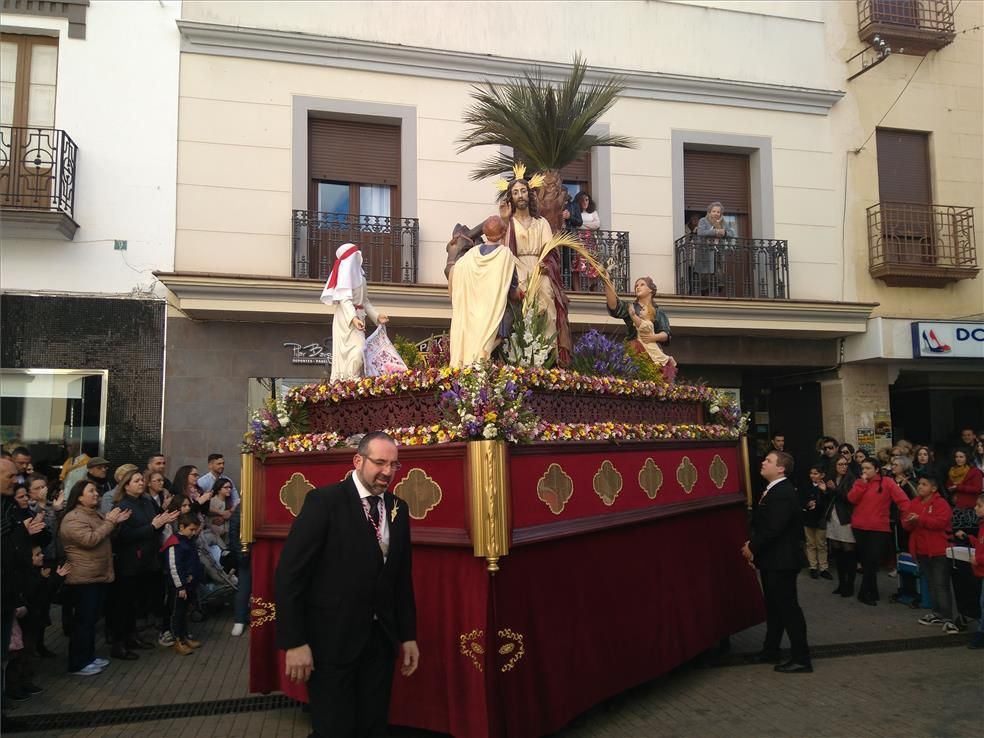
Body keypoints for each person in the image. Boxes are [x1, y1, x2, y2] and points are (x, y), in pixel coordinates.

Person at [275, 431, 418, 737]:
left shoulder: (398, 508)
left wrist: (407, 636)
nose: (387, 472)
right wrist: (294, 642)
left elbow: (400, 578)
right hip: (331, 643)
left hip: (379, 642)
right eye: (380, 463)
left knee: (372, 726)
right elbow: (290, 574)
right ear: (358, 460)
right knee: (334, 728)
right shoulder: (324, 502)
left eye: (394, 465)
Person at [741, 450, 811, 673]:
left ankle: (801, 658)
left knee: (788, 609)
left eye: (769, 461)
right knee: (774, 608)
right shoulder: (773, 490)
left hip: (783, 561)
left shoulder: (782, 492)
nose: (763, 462)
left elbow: (773, 528)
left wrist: (751, 548)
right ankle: (770, 650)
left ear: (781, 468)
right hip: (774, 560)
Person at [59, 479, 131, 676]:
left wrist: (115, 524)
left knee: (91, 620)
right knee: (83, 622)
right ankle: (78, 662)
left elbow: (105, 535)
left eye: (97, 491)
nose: (96, 494)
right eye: (91, 491)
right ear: (79, 496)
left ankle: (89, 657)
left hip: (99, 574)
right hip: (83, 577)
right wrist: (110, 522)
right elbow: (89, 540)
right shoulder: (73, 518)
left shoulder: (94, 514)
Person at [501, 174, 572, 366]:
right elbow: (503, 250)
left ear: (529, 194)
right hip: (516, 267)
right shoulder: (509, 223)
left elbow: (550, 249)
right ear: (511, 198)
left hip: (539, 267)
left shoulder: (541, 223)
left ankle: (548, 348)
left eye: (523, 191)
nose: (520, 195)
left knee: (547, 296)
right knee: (520, 303)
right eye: (515, 192)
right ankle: (520, 348)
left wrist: (546, 263)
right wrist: (505, 220)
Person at [108, 469, 178, 661]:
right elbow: (123, 535)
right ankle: (119, 643)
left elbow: (157, 522)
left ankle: (133, 637)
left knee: (137, 602)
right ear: (127, 485)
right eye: (136, 480)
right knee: (124, 604)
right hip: (129, 561)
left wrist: (164, 521)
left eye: (142, 480)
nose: (141, 483)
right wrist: (152, 527)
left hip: (148, 558)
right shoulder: (122, 505)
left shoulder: (147, 502)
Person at [448, 215, 520, 368]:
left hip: (469, 317)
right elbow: (513, 291)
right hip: (491, 316)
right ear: (503, 233)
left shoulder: (469, 257)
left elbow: (453, 274)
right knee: (511, 316)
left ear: (485, 234)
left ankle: (469, 367)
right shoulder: (505, 255)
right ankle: (479, 364)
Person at [320, 243, 389, 381]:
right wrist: (353, 318)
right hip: (346, 319)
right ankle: (351, 378)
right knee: (360, 348)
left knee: (360, 349)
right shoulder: (345, 277)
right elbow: (345, 300)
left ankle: (353, 378)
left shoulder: (361, 277)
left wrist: (376, 316)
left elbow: (365, 302)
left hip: (358, 317)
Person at [847, 458, 909, 606]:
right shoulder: (859, 482)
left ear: (876, 469)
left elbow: (902, 500)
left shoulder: (887, 482)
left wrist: (908, 514)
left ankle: (864, 592)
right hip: (859, 526)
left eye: (868, 468)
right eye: (863, 468)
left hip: (879, 528)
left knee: (872, 561)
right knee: (867, 561)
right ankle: (872, 590)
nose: (865, 471)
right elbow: (851, 499)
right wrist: (862, 484)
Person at [901, 476, 957, 634]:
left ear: (933, 488)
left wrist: (920, 519)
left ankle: (948, 618)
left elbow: (940, 522)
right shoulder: (915, 502)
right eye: (919, 484)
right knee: (931, 583)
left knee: (941, 585)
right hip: (921, 550)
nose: (919, 487)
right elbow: (906, 523)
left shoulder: (941, 503)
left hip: (938, 550)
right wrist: (911, 521)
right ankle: (937, 613)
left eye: (924, 484)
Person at [604, 276, 677, 383]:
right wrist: (607, 281)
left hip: (652, 350)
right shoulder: (631, 307)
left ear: (650, 290)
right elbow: (614, 306)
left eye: (642, 284)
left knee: (658, 378)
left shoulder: (658, 312)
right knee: (631, 377)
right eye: (636, 286)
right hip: (635, 348)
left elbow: (666, 334)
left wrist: (653, 337)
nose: (638, 287)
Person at [161, 513, 204, 656]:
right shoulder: (175, 543)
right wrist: (180, 586)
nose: (193, 533)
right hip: (179, 586)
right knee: (176, 613)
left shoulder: (187, 540)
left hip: (189, 584)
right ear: (181, 527)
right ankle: (177, 639)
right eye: (191, 529)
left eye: (195, 530)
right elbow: (174, 567)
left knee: (184, 612)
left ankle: (184, 636)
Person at [953, 493, 984, 649]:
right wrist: (968, 537)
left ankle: (980, 635)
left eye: (979, 506)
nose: (975, 508)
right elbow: (980, 544)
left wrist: (978, 560)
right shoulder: (981, 526)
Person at [824, 455, 857, 597]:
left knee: (849, 552)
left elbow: (849, 498)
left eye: (845, 464)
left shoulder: (851, 479)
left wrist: (835, 489)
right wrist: (825, 490)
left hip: (846, 518)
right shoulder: (831, 479)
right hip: (833, 518)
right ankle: (841, 583)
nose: (844, 467)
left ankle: (850, 585)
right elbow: (827, 498)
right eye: (840, 464)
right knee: (838, 553)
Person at [694, 202, 736, 295]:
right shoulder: (703, 220)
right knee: (705, 272)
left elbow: (732, 233)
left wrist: (724, 233)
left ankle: (719, 286)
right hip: (704, 250)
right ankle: (705, 290)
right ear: (709, 212)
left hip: (718, 249)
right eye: (714, 211)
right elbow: (701, 232)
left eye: (718, 212)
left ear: (721, 213)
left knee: (718, 269)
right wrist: (716, 231)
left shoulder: (724, 222)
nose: (716, 213)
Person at [802, 465, 831, 580]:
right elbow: (801, 500)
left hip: (821, 519)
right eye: (811, 473)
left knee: (821, 544)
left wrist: (824, 492)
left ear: (822, 475)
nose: (813, 476)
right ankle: (813, 567)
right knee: (810, 544)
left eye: (816, 473)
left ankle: (824, 567)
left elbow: (829, 502)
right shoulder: (806, 486)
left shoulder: (826, 487)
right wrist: (807, 504)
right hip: (809, 518)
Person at [946, 448, 984, 534]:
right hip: (957, 508)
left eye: (961, 457)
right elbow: (949, 484)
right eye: (956, 457)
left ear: (966, 458)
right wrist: (951, 488)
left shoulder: (975, 472)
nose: (958, 459)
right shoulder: (952, 471)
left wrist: (959, 487)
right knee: (957, 534)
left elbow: (978, 488)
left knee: (969, 535)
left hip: (970, 509)